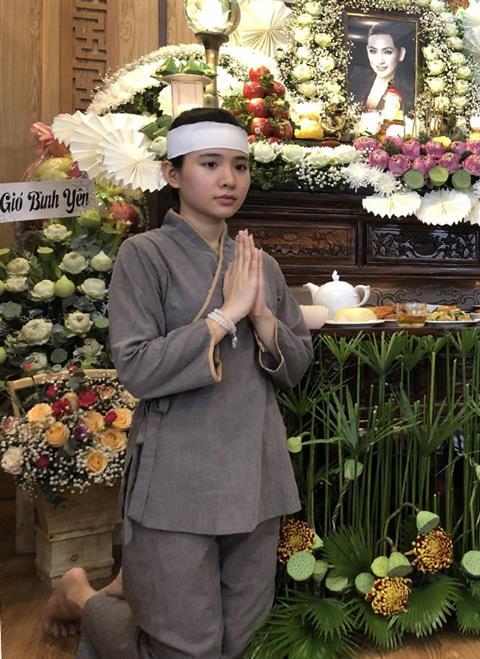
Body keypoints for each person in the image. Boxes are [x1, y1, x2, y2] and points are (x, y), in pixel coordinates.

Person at [43, 107, 313, 658]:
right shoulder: (144, 255)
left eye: (239, 166)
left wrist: (262, 315)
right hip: (177, 478)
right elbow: (138, 367)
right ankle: (83, 598)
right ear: (172, 174)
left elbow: (297, 367)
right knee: (185, 650)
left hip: (256, 473)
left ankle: (91, 596)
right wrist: (226, 315)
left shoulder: (258, 263)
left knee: (241, 645)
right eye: (210, 164)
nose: (228, 179)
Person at [349, 20, 415, 114]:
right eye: (373, 51)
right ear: (367, 50)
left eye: (387, 52)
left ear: (401, 54)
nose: (380, 60)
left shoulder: (409, 93)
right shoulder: (357, 77)